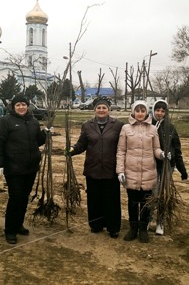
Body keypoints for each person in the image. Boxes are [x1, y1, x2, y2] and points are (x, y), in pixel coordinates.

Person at [0, 94, 46, 244]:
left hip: (30, 167)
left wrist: (45, 133)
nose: (21, 107)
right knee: (15, 198)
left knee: (24, 198)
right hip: (13, 167)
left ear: (27, 106)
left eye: (23, 104)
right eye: (18, 105)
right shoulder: (5, 122)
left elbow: (38, 141)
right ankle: (10, 230)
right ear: (13, 107)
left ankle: (19, 224)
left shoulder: (33, 122)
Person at [69, 96, 124, 238]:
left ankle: (113, 227)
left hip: (111, 169)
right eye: (98, 108)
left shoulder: (118, 125)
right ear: (94, 110)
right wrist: (72, 150)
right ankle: (96, 225)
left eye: (104, 107)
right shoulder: (87, 125)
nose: (101, 110)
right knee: (94, 199)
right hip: (93, 168)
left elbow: (123, 146)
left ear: (109, 109)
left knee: (111, 199)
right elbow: (82, 144)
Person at [116, 100, 164, 243]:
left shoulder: (153, 129)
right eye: (137, 110)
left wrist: (161, 154)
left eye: (143, 111)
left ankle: (143, 229)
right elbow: (121, 151)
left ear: (147, 112)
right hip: (131, 172)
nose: (140, 113)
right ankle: (133, 228)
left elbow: (156, 148)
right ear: (133, 112)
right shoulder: (126, 128)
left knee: (146, 203)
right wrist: (120, 171)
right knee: (132, 202)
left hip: (149, 172)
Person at [150, 100, 188, 235]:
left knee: (163, 194)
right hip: (152, 165)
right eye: (157, 110)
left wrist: (182, 170)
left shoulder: (170, 128)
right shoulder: (148, 125)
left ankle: (160, 222)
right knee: (151, 193)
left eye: (163, 111)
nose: (160, 113)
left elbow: (177, 149)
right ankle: (148, 219)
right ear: (153, 110)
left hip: (167, 166)